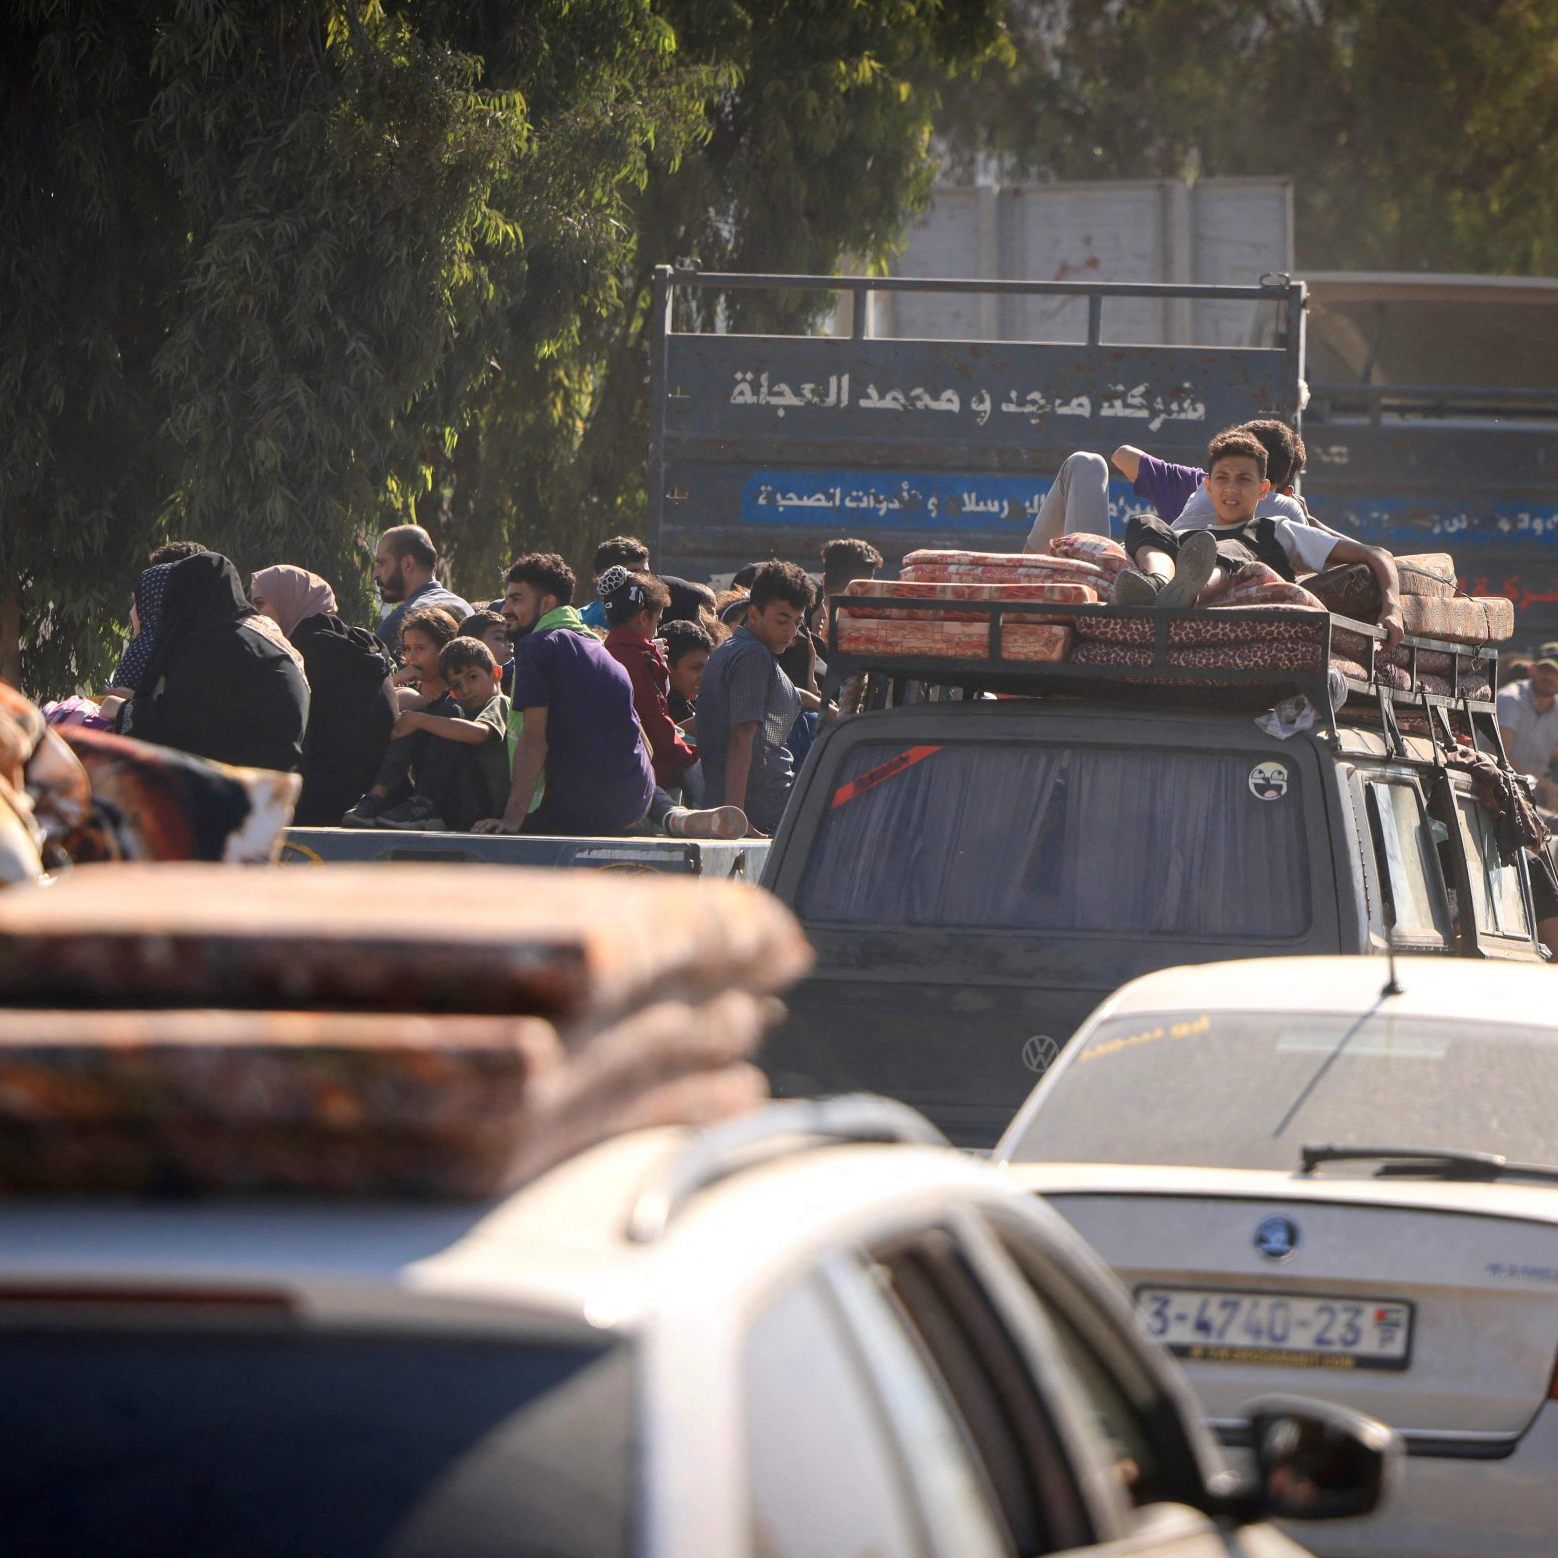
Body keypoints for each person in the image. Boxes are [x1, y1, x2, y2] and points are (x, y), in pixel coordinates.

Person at [1113, 429, 1405, 652]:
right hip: (1177, 563)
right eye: (1222, 478)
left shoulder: (1277, 529)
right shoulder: (1181, 535)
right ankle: (1159, 584)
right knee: (1145, 523)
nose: (1231, 489)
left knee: (1229, 546)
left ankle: (1190, 592)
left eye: (1243, 480)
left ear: (1263, 489)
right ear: (1208, 486)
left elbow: (1377, 554)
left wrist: (1392, 607)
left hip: (1219, 584)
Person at [476, 553, 656, 836]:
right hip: (636, 801)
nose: (506, 610)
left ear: (547, 604)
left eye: (517, 599)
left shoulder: (538, 646)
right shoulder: (599, 648)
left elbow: (533, 741)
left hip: (583, 809)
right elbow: (647, 746)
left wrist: (511, 821)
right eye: (507, 599)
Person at [114, 552, 309, 772]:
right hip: (272, 779)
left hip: (238, 779)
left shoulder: (216, 644)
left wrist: (123, 710)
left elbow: (183, 725)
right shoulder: (258, 635)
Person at [250, 564, 396, 827]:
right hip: (369, 802)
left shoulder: (301, 654)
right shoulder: (360, 644)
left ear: (288, 599)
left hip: (319, 805)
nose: (254, 614)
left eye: (260, 604)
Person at [696, 560, 814, 837]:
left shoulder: (733, 648)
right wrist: (737, 819)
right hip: (764, 812)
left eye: (797, 622)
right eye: (782, 620)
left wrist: (828, 709)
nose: (790, 631)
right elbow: (741, 736)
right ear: (753, 613)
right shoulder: (753, 658)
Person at [600, 568, 698, 792]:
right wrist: (688, 754)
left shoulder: (606, 652)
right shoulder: (638, 660)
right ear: (644, 617)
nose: (656, 630)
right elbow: (653, 718)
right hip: (648, 773)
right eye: (657, 620)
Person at [372, 525, 471, 653]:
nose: (375, 574)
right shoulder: (466, 610)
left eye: (381, 563)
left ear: (408, 564)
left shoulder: (399, 623)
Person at [1497, 647, 1558, 781]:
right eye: (1545, 670)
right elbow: (1501, 756)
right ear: (1532, 669)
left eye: (1556, 672)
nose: (1549, 677)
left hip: (1535, 788)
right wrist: (1545, 786)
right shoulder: (1510, 699)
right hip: (1496, 783)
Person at [389, 605, 461, 712]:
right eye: (408, 648)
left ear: (444, 648)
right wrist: (394, 680)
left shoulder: (462, 693)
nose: (411, 656)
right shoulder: (405, 690)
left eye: (419, 648)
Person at [579, 536, 650, 630]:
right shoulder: (579, 623)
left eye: (646, 574)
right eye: (633, 574)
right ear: (605, 575)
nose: (644, 581)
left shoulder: (655, 616)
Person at [662, 619, 713, 728]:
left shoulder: (692, 704)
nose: (705, 677)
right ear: (668, 667)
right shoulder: (658, 709)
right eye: (695, 668)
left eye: (707, 668)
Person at [458, 608, 515, 694]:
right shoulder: (465, 692)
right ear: (474, 643)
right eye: (499, 638)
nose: (510, 644)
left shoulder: (516, 678)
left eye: (509, 637)